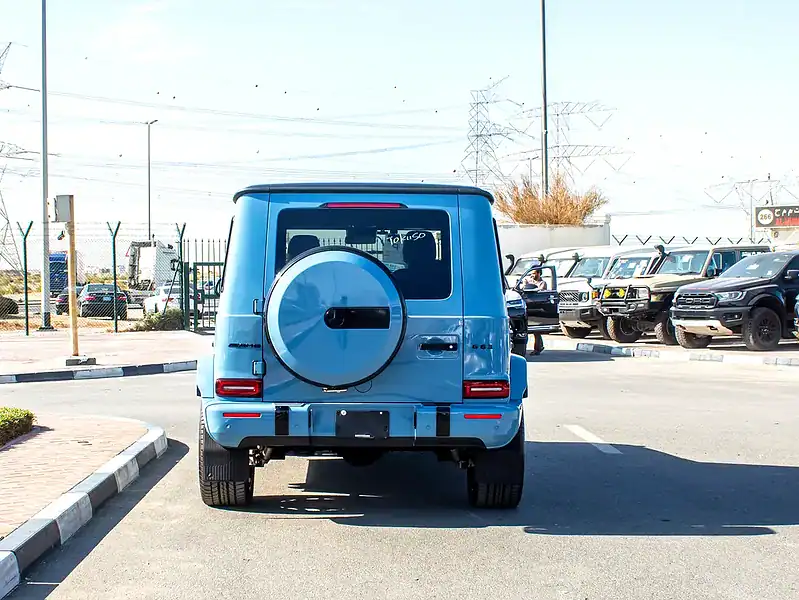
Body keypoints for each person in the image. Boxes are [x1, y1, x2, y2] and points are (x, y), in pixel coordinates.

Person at [522, 269, 547, 355]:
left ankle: (537, 348)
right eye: (531, 274)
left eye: (534, 273)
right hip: (527, 306)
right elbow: (523, 288)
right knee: (525, 329)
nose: (532, 275)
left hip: (537, 307)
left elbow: (539, 292)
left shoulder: (542, 283)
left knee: (536, 329)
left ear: (539, 274)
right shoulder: (528, 280)